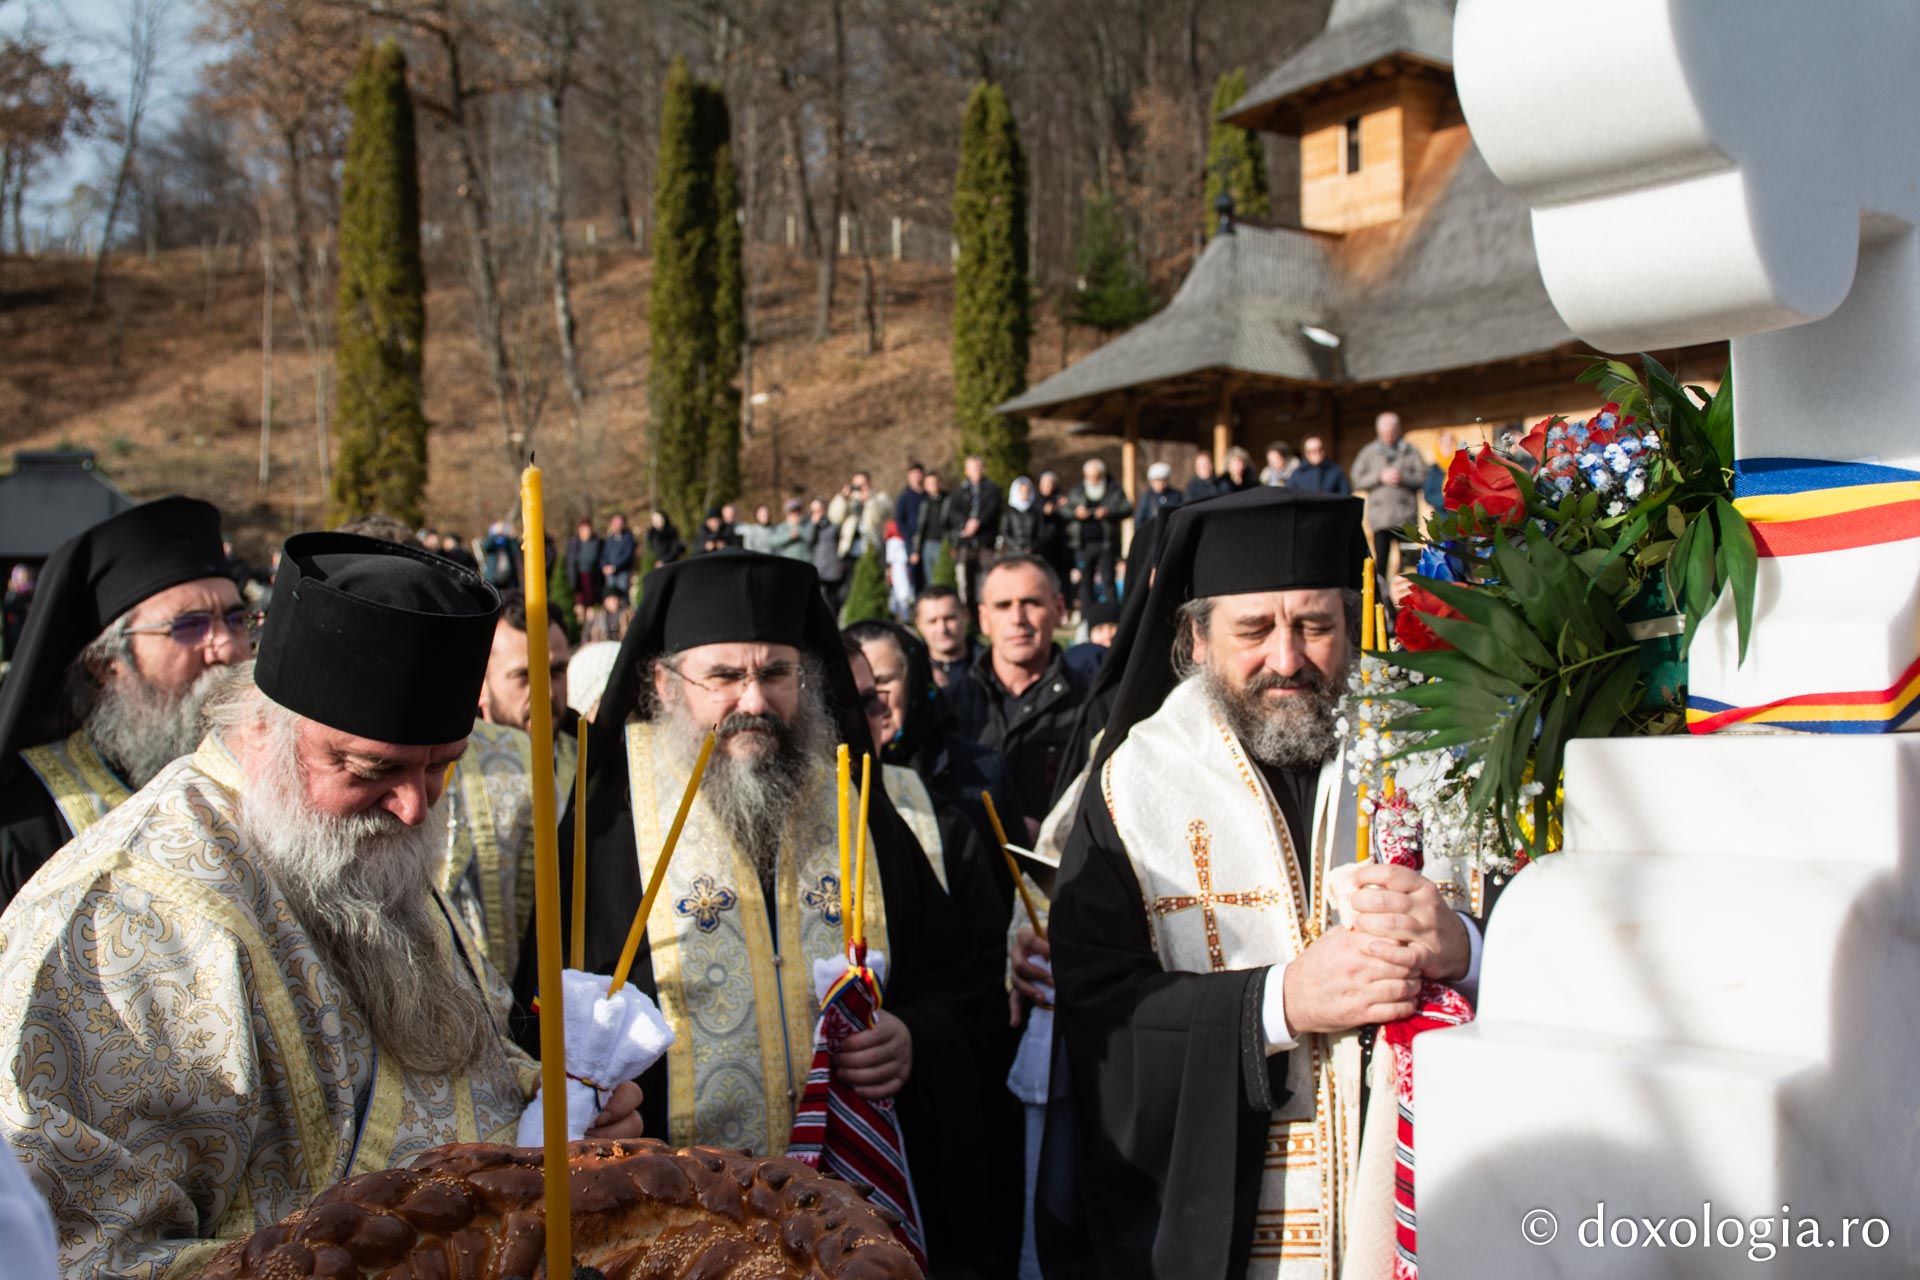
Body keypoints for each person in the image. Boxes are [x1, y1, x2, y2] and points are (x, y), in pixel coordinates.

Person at [0, 531, 646, 1276]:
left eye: (444, 767)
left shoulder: (354, 841)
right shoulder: (120, 923)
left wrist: (557, 1121)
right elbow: (74, 1257)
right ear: (261, 728)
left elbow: (452, 1068)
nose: (414, 807)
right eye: (373, 768)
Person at [524, 549, 1008, 1277]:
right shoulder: (608, 824)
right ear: (664, 682)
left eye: (775, 674)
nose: (753, 700)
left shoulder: (852, 800)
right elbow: (541, 1019)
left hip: (853, 1226)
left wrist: (915, 1036)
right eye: (723, 676)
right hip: (675, 1228)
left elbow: (963, 983)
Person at [1038, 489, 1482, 1280]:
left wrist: (1466, 945)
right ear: (1198, 638)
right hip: (1239, 1236)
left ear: (1351, 623)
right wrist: (1276, 1004)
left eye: (1315, 626)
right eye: (1254, 630)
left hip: (1437, 1198)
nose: (1288, 658)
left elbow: (1547, 929)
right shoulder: (1135, 785)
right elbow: (1100, 1010)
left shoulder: (1434, 743)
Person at [0, 497, 247, 910]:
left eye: (237, 620)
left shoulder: (270, 793)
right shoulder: (25, 826)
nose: (225, 646)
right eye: (189, 626)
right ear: (106, 663)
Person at [847, 618, 1025, 882]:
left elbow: (1013, 883)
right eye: (854, 693)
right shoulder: (827, 780)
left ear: (914, 682)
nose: (873, 707)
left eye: (883, 682)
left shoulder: (982, 774)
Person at [950, 555, 1089, 831]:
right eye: (1003, 606)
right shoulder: (951, 704)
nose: (1017, 618)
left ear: (1059, 608)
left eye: (1031, 603)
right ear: (984, 619)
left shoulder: (1091, 702)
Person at [1349, 410, 1429, 569]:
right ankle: (1383, 593)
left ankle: (1409, 592)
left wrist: (1403, 477)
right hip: (1380, 519)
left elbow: (1424, 477)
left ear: (1398, 430)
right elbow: (1356, 479)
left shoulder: (1410, 451)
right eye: (1385, 433)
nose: (1389, 437)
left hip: (1406, 518)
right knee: (1381, 564)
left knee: (1409, 564)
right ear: (1378, 432)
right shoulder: (1368, 452)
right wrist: (1379, 477)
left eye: (1392, 432)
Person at [1065, 459, 1125, 605]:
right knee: (1085, 581)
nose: (1093, 480)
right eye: (1090, 476)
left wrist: (1109, 512)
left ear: (1102, 475)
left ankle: (1111, 614)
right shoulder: (1077, 490)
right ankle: (1088, 616)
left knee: (1108, 579)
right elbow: (1064, 510)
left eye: (1097, 476)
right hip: (1084, 544)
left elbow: (1127, 507)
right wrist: (1075, 512)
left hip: (1106, 543)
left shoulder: (1113, 489)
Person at [951, 455, 1002, 613]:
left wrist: (978, 522)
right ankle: (970, 614)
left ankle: (986, 611)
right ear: (967, 471)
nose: (977, 471)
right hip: (966, 543)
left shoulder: (992, 489)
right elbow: (953, 512)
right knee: (966, 579)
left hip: (985, 541)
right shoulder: (959, 491)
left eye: (980, 467)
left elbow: (993, 510)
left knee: (986, 578)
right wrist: (965, 524)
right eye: (973, 468)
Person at [912, 584, 977, 691]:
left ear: (965, 616)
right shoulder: (910, 673)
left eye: (949, 618)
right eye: (932, 621)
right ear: (919, 625)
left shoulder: (992, 668)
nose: (942, 629)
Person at [1062, 597, 1119, 685]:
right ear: (1089, 635)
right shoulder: (1081, 657)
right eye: (1100, 629)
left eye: (1112, 627)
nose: (1107, 635)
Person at [894, 461, 929, 586]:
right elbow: (899, 521)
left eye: (919, 474)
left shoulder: (927, 496)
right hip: (912, 542)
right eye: (913, 474)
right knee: (915, 575)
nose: (916, 477)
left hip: (928, 540)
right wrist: (909, 537)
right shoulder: (904, 497)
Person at [910, 471, 949, 578]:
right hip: (928, 545)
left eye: (935, 482)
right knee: (930, 578)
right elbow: (920, 527)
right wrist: (916, 550)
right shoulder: (924, 503)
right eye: (930, 483)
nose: (933, 486)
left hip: (943, 544)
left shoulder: (948, 500)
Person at [564, 517, 604, 616]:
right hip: (578, 577)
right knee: (580, 604)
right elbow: (570, 560)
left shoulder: (597, 542)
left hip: (593, 577)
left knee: (591, 603)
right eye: (584, 529)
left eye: (588, 528)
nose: (587, 531)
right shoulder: (574, 542)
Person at [1132, 461, 1183, 530]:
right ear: (1151, 481)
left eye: (1163, 480)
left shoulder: (1176, 496)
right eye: (1157, 480)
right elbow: (1139, 521)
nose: (1160, 483)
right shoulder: (1146, 498)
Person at [998, 475, 1041, 555]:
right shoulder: (1009, 511)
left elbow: (1039, 532)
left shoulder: (1035, 511)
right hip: (1012, 552)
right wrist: (1016, 546)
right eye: (1022, 491)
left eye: (1027, 491)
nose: (1025, 494)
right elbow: (1005, 531)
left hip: (1031, 552)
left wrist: (1032, 546)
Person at [2, 563, 34, 660]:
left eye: (27, 578)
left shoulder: (29, 596)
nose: (25, 581)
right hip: (15, 640)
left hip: (25, 637)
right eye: (23, 578)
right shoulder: (11, 599)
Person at [602, 512, 639, 594]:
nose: (617, 525)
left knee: (622, 594)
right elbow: (604, 554)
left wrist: (615, 566)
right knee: (611, 593)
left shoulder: (628, 538)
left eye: (619, 523)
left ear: (623, 524)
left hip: (623, 571)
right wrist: (604, 566)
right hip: (610, 572)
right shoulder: (610, 538)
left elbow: (627, 555)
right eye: (615, 523)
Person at [479, 520, 521, 590]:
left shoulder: (508, 541)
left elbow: (516, 551)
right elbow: (486, 547)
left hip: (509, 579)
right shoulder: (492, 541)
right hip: (493, 578)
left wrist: (513, 537)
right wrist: (495, 534)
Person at [1424, 429, 1459, 513]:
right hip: (1443, 517)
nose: (1447, 446)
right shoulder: (1433, 470)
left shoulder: (1463, 463)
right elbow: (1428, 496)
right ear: (1438, 446)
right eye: (1443, 443)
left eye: (1450, 443)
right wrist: (1447, 499)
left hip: (1463, 515)